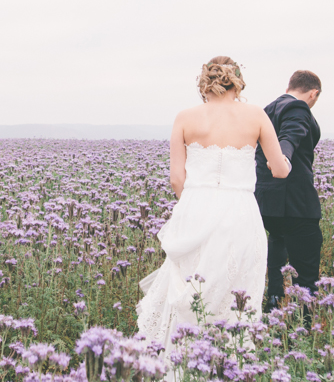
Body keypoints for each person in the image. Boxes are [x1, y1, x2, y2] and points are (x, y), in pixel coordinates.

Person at [136, 56, 290, 349]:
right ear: (238, 82)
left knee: (191, 289)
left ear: (204, 83)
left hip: (195, 208)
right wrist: (286, 159)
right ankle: (230, 369)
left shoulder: (185, 117)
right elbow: (280, 170)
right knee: (237, 293)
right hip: (240, 213)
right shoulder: (256, 116)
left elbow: (176, 179)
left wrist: (196, 201)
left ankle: (177, 367)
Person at [253, 70, 323, 315]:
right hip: (295, 201)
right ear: (313, 93)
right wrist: (283, 157)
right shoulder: (298, 108)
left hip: (266, 202)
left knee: (278, 240)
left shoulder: (267, 109)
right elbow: (290, 136)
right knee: (306, 262)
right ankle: (303, 320)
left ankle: (274, 299)